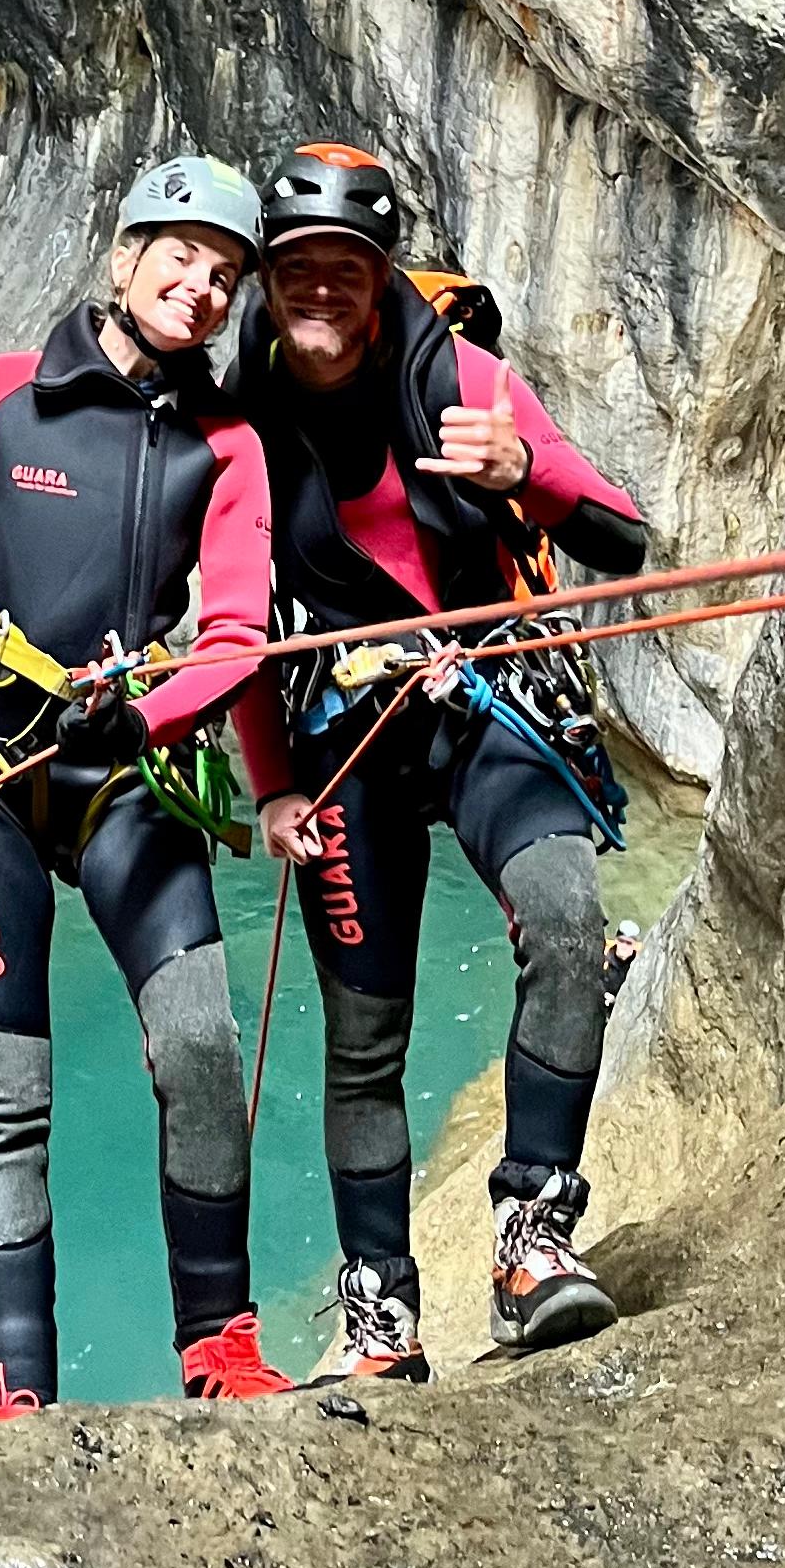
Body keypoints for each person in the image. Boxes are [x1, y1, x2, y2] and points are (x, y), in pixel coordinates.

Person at [0, 158, 294, 1416]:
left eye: (225, 276)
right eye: (180, 257)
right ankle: (19, 1400)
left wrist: (146, 706)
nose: (202, 287)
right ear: (123, 258)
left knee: (203, 1045)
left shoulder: (229, 448)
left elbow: (236, 638)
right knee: (6, 1097)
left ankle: (219, 1349)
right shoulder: (6, 399)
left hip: (121, 774)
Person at [235, 144, 650, 1375]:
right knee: (366, 1036)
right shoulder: (239, 427)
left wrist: (527, 475)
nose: (320, 291)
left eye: (343, 272)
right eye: (297, 269)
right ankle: (382, 1313)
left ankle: (533, 1235)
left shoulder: (461, 380)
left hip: (486, 702)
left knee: (569, 922)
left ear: (378, 282)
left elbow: (623, 538)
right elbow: (244, 634)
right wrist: (270, 787)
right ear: (267, 281)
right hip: (344, 739)